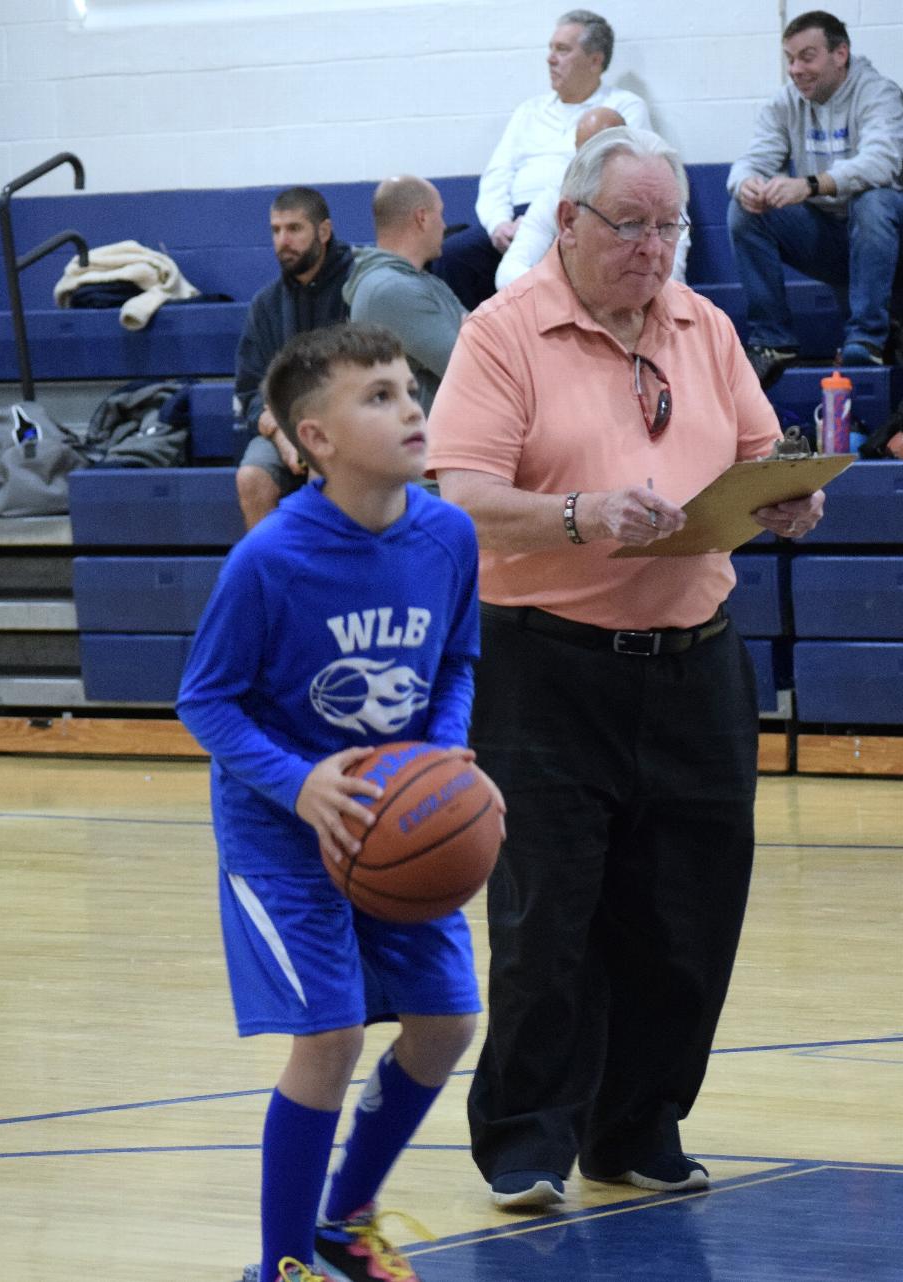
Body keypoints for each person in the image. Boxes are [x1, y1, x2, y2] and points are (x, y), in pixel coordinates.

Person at [426, 126, 825, 1212]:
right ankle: (523, 1140)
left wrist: (790, 495)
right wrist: (577, 513)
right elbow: (456, 499)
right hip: (545, 667)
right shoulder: (502, 334)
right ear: (569, 223)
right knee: (548, 918)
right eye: (632, 224)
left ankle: (636, 1126)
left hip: (695, 663)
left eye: (669, 225)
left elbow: (754, 456)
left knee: (688, 917)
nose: (654, 247)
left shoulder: (705, 326)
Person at [177, 322, 498, 1282]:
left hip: (390, 818)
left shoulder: (448, 533)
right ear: (313, 437)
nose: (411, 409)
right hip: (281, 832)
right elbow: (205, 700)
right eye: (380, 397)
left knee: (447, 1022)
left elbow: (457, 663)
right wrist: (299, 783)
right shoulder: (269, 560)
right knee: (331, 1034)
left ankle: (344, 1224)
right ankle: (282, 1265)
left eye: (411, 390)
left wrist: (438, 763)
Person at [726, 10, 903, 389]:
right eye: (790, 58)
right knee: (744, 210)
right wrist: (747, 185)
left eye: (807, 56)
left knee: (874, 199)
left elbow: (882, 162)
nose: (795, 68)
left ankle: (867, 338)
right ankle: (773, 342)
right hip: (831, 240)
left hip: (886, 243)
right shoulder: (784, 104)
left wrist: (809, 184)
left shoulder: (880, 93)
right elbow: (749, 162)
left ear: (840, 54)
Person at [433, 10, 651, 310]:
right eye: (551, 49)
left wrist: (546, 219)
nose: (550, 58)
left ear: (595, 60)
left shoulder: (623, 107)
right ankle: (474, 348)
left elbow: (623, 174)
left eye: (562, 49)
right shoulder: (529, 111)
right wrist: (499, 224)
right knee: (452, 255)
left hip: (573, 218)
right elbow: (498, 175)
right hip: (512, 221)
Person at [235, 187, 354, 528]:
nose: (283, 240)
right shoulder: (265, 305)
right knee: (252, 478)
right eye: (276, 230)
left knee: (322, 470)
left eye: (294, 229)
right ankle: (271, 578)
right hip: (284, 426)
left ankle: (332, 576)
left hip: (346, 424)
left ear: (324, 231)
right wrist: (282, 437)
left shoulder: (358, 284)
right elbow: (249, 392)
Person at [495, 107, 690, 289]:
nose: (652, 249)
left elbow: (671, 280)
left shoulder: (665, 199)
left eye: (606, 149)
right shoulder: (554, 197)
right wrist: (567, 299)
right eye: (629, 225)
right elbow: (508, 274)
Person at [343, 176, 466, 417]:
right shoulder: (390, 289)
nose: (443, 224)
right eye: (440, 214)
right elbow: (473, 368)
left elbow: (481, 339)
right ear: (422, 218)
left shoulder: (414, 281)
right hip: (423, 447)